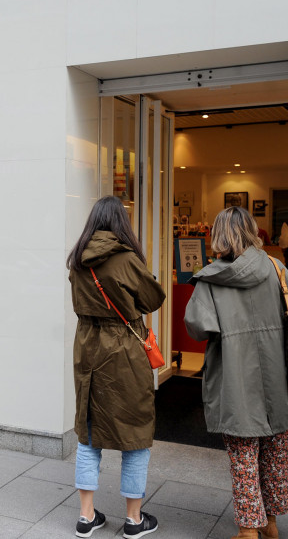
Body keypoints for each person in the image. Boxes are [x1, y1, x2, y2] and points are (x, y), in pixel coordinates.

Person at [184, 207, 288, 539]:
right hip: (277, 379)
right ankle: (270, 525)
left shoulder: (211, 277)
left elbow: (198, 328)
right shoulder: (275, 266)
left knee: (244, 458)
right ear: (252, 230)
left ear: (220, 235)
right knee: (275, 455)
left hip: (235, 381)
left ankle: (247, 530)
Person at [67, 196, 166, 539]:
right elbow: (153, 299)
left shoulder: (76, 259)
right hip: (124, 349)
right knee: (134, 431)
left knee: (88, 430)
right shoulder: (126, 259)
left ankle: (85, 516)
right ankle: (134, 521)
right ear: (120, 223)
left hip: (87, 347)